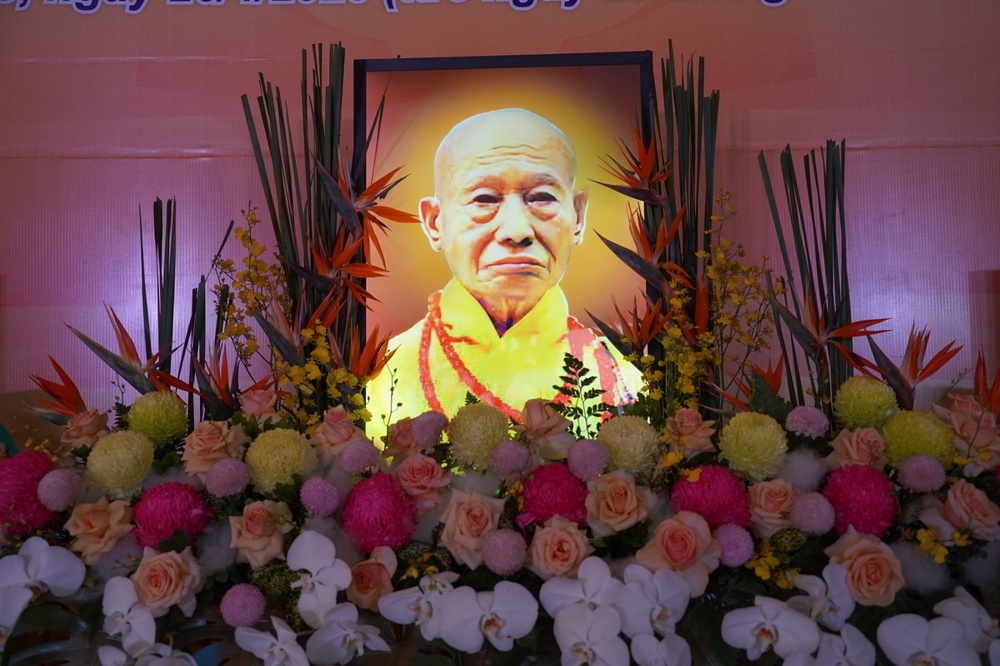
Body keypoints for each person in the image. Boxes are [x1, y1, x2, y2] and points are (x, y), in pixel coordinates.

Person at [366, 108, 644, 430]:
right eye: (484, 199)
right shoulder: (377, 376)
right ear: (434, 223)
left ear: (578, 217)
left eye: (541, 197)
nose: (517, 230)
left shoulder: (627, 381)